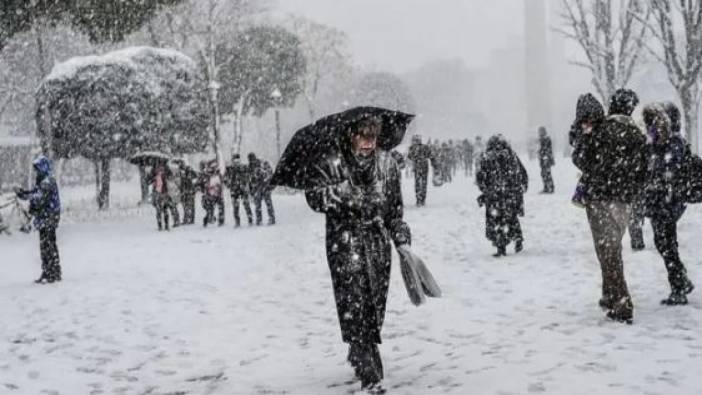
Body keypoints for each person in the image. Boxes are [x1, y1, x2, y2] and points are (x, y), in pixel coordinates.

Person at [304, 115, 411, 391]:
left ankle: (359, 346)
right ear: (351, 135)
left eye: (373, 136)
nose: (368, 143)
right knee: (354, 304)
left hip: (377, 246)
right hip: (345, 244)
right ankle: (369, 370)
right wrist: (345, 195)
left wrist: (400, 235)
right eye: (362, 136)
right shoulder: (332, 162)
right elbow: (314, 196)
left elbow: (394, 209)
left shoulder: (387, 164)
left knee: (375, 306)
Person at [571, 90, 647, 324]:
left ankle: (622, 301)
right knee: (612, 248)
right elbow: (644, 170)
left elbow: (581, 160)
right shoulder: (636, 133)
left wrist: (583, 137)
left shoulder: (600, 131)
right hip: (624, 200)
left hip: (600, 198)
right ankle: (609, 293)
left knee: (607, 250)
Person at [642, 103, 695, 305]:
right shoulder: (656, 143)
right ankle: (681, 280)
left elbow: (670, 170)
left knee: (667, 245)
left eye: (654, 124)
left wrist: (657, 178)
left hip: (668, 202)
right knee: (663, 243)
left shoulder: (674, 143)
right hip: (659, 202)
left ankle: (679, 287)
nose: (651, 128)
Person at [476, 135, 528, 257]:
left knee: (496, 220)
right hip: (510, 193)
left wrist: (484, 189)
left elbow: (481, 177)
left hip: (494, 195)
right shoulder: (511, 155)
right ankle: (517, 238)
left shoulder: (487, 157)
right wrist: (520, 187)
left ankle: (501, 246)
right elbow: (522, 172)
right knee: (511, 217)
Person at [15, 155, 62, 283]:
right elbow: (35, 193)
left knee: (48, 245)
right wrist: (23, 193)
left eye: (37, 168)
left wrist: (26, 197)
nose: (36, 171)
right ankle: (49, 272)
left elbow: (39, 197)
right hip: (46, 217)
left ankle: (52, 272)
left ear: (43, 167)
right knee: (46, 245)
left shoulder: (48, 181)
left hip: (49, 217)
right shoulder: (43, 180)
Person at [224, 154, 253, 227]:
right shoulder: (229, 169)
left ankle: (250, 220)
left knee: (245, 205)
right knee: (236, 207)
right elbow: (225, 179)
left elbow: (249, 178)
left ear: (239, 160)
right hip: (235, 190)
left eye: (237, 160)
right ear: (233, 161)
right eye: (235, 160)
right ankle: (238, 222)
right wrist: (228, 184)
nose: (236, 162)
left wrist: (249, 187)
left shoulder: (244, 167)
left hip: (242, 189)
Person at [248, 153, 276, 226]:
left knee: (268, 204)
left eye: (252, 159)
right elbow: (249, 181)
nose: (252, 161)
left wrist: (270, 185)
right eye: (250, 160)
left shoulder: (262, 164)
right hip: (257, 188)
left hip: (264, 187)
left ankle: (271, 219)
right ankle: (259, 220)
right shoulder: (250, 167)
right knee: (258, 206)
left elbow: (270, 174)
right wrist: (251, 191)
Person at [407, 135, 433, 206]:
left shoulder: (412, 148)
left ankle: (418, 200)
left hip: (417, 167)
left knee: (417, 184)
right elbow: (431, 156)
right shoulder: (425, 147)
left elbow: (409, 157)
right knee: (424, 184)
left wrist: (414, 156)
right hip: (424, 167)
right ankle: (423, 200)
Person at [146, 162, 173, 231]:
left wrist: (165, 177)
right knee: (160, 210)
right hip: (158, 192)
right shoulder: (154, 168)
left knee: (164, 209)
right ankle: (161, 226)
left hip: (164, 191)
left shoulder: (165, 167)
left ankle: (164, 226)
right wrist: (154, 178)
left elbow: (171, 176)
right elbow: (148, 181)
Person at [200, 161, 225, 227]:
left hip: (218, 194)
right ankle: (208, 219)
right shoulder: (206, 175)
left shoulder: (218, 174)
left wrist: (219, 187)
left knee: (220, 207)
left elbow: (222, 183)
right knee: (210, 209)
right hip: (210, 195)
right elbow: (203, 185)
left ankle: (221, 221)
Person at [537, 126, 555, 193]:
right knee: (543, 174)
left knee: (547, 174)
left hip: (546, 159)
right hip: (543, 159)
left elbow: (547, 149)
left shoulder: (546, 138)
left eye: (540, 131)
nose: (539, 133)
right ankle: (546, 187)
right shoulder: (541, 139)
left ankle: (550, 188)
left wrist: (545, 157)